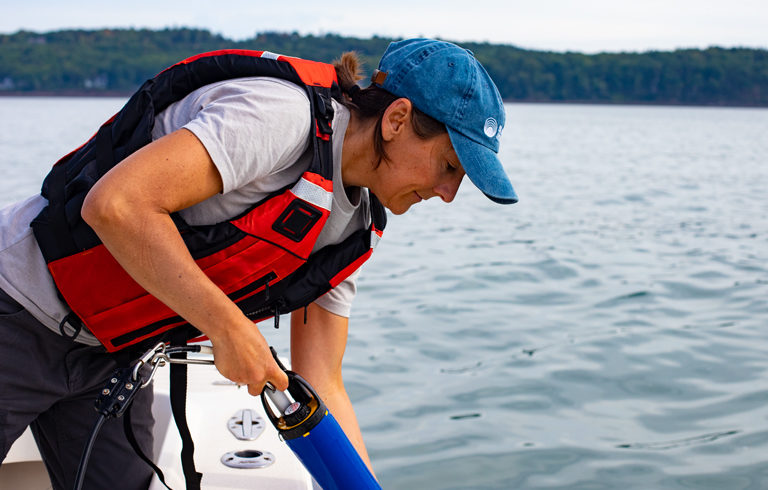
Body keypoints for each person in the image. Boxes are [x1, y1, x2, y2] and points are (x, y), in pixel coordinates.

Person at [0, 38, 517, 489]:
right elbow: (116, 206)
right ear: (398, 119)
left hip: (113, 355)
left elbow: (323, 381)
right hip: (19, 309)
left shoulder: (353, 232)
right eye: (449, 166)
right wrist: (226, 327)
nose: (448, 193)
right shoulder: (276, 117)